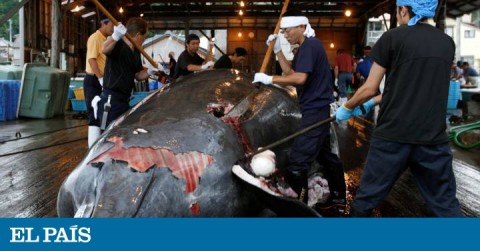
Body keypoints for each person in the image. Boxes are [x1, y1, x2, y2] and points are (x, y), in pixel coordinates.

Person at [335, 0, 463, 217]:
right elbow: (413, 88)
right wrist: (373, 102)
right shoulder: (446, 42)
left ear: (404, 9)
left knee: (365, 201)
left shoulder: (393, 37)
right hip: (432, 138)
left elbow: (369, 87)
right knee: (446, 205)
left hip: (393, 137)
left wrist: (347, 107)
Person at [253, 9, 346, 208]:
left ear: (302, 27)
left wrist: (269, 79)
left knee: (297, 161)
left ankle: (297, 206)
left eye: (288, 30)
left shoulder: (311, 45)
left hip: (316, 110)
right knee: (325, 154)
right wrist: (278, 50)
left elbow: (299, 79)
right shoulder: (305, 48)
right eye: (283, 31)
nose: (285, 34)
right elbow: (291, 72)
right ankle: (338, 197)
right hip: (316, 108)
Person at [95, 18, 163, 129]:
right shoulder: (118, 43)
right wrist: (115, 36)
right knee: (109, 136)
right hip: (111, 100)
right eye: (144, 37)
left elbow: (137, 75)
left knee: (122, 134)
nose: (144, 41)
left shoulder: (136, 51)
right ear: (138, 35)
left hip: (124, 100)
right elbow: (104, 49)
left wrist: (150, 71)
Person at [83, 16, 113, 147]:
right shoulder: (95, 38)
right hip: (93, 80)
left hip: (102, 79)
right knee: (94, 113)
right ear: (103, 24)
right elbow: (91, 60)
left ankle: (100, 145)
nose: (113, 28)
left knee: (102, 112)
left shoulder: (106, 39)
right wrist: (100, 78)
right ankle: (92, 150)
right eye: (111, 25)